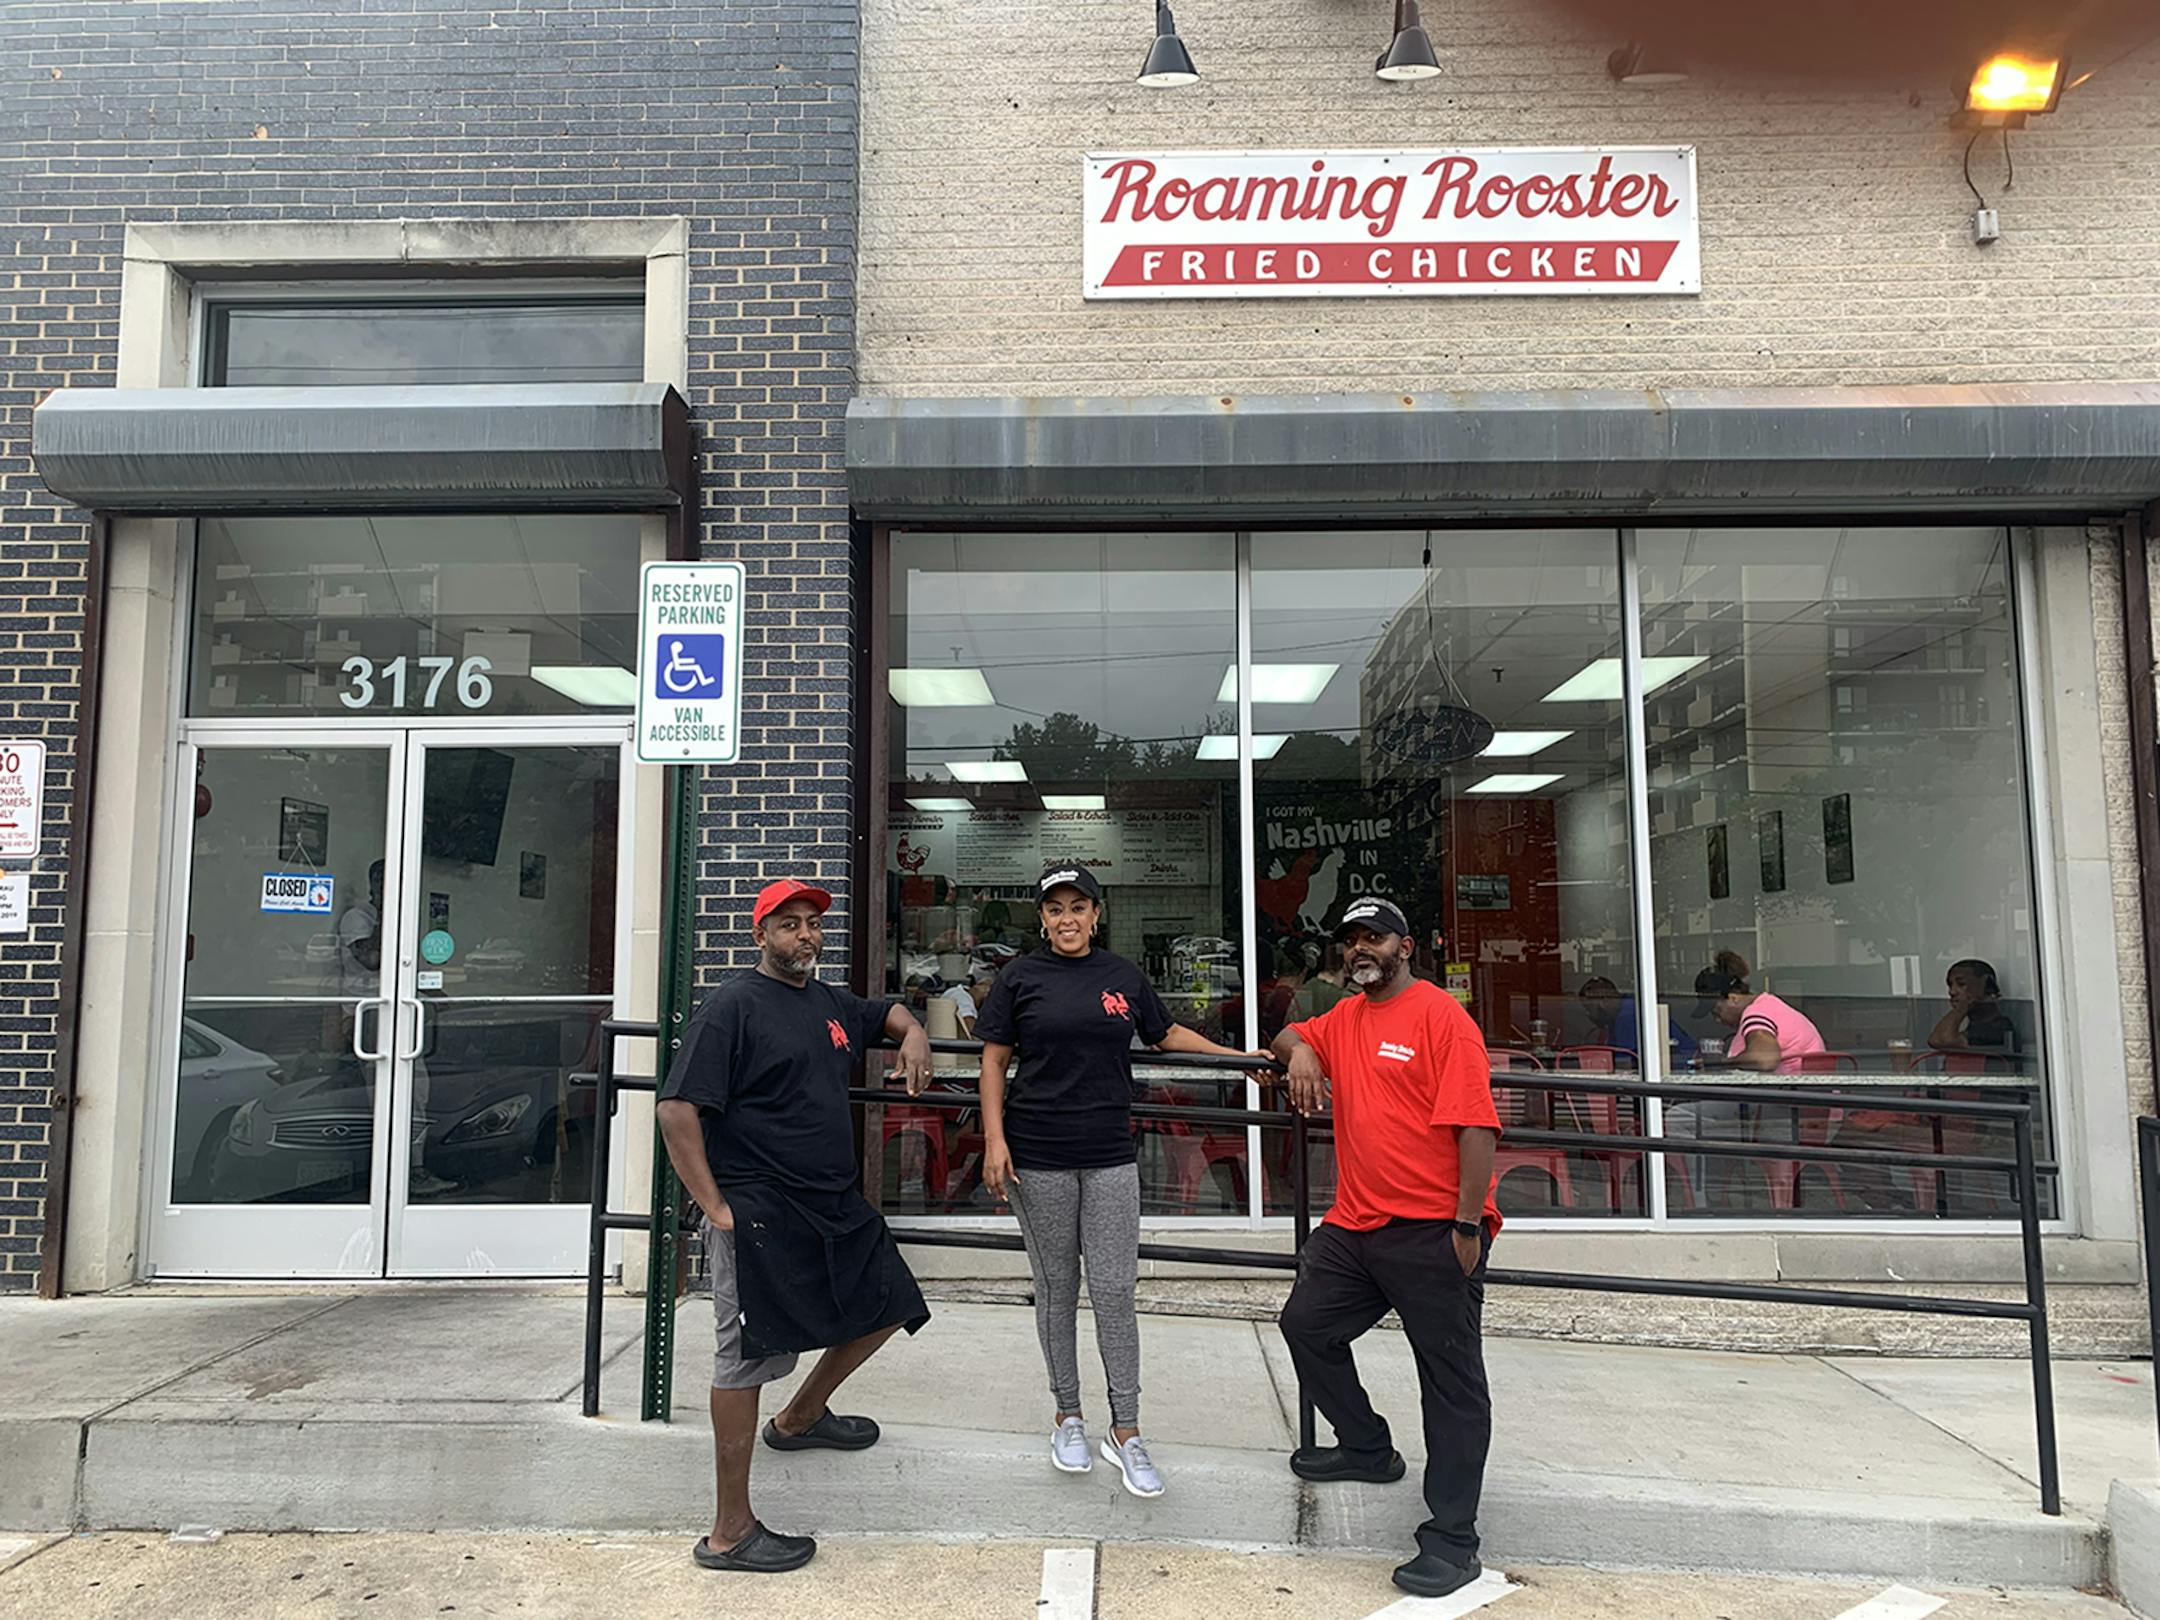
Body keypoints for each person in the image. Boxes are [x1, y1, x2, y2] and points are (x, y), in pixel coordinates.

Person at [655, 878, 937, 1575]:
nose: (805, 936)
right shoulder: (732, 1007)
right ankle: (729, 1532)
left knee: (888, 1301)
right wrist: (714, 1205)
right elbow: (675, 1109)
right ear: (761, 935)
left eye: (812, 924)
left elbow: (889, 1012)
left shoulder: (830, 1003)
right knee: (745, 1357)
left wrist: (917, 1034)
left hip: (832, 1203)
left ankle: (803, 1416)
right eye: (789, 924)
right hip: (758, 1209)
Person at [975, 863, 1266, 1499]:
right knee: (1056, 1288)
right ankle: (1068, 1416)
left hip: (1109, 1155)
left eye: (1079, 907)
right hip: (1038, 1154)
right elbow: (994, 1062)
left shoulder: (1122, 976)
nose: (1068, 919)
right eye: (1055, 909)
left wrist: (1238, 1058)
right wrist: (995, 1142)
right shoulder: (1019, 977)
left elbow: (1165, 1035)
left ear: (1097, 915)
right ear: (1042, 919)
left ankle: (1126, 1430)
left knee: (1114, 1291)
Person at [1270, 896, 1503, 1601]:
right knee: (1305, 1326)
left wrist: (1466, 1227)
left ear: (1406, 946)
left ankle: (1453, 1541)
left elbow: (1477, 1126)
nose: (1360, 949)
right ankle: (1369, 1448)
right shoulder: (1343, 1018)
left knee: (1450, 1383)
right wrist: (1304, 1050)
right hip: (1356, 1225)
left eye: (1375, 937)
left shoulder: (1441, 1017)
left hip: (1434, 1228)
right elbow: (1284, 1037)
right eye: (1350, 940)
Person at [1665, 955, 1828, 1206]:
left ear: (1733, 998)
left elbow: (1764, 1058)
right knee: (1706, 1118)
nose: (1716, 1020)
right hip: (1810, 1111)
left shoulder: (1756, 1013)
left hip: (1784, 1115)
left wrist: (1717, 1062)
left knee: (1678, 1118)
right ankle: (1716, 1192)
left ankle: (1697, 1203)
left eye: (1716, 1011)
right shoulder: (1772, 1006)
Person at [1579, 974, 1696, 1065]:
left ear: (1603, 1003)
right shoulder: (1631, 1006)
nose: (1589, 1014)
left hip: (1679, 1065)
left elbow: (1623, 1064)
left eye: (1589, 1008)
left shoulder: (1626, 1018)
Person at [1927, 958, 2019, 1059]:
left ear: (1984, 986)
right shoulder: (1974, 1026)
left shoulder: (1998, 1027)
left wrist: (1962, 1006)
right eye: (1950, 985)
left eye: (1961, 984)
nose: (1952, 992)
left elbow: (1944, 1040)